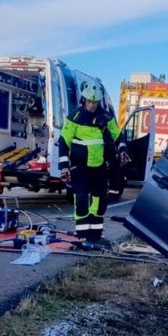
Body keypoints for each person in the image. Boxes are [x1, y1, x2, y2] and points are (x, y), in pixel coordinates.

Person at [58, 80, 123, 243]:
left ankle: (95, 235)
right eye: (89, 101)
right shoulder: (74, 118)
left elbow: (117, 135)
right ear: (83, 100)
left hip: (99, 167)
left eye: (95, 102)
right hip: (79, 166)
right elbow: (64, 141)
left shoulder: (106, 118)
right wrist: (64, 166)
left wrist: (122, 149)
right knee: (81, 201)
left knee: (99, 203)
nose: (92, 105)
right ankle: (82, 236)